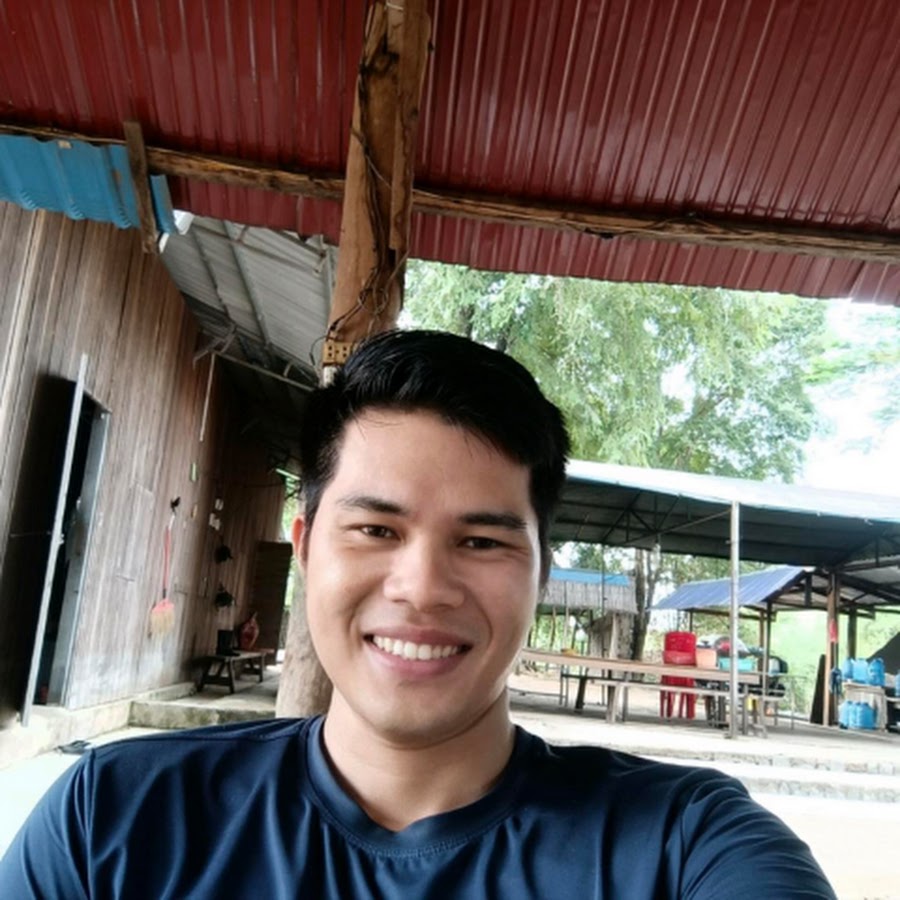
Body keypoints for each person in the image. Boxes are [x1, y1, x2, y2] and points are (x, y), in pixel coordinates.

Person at [0, 330, 835, 898]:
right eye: (376, 529)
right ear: (307, 547)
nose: (423, 586)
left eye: (481, 541)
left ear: (540, 574)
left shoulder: (683, 846)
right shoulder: (115, 819)